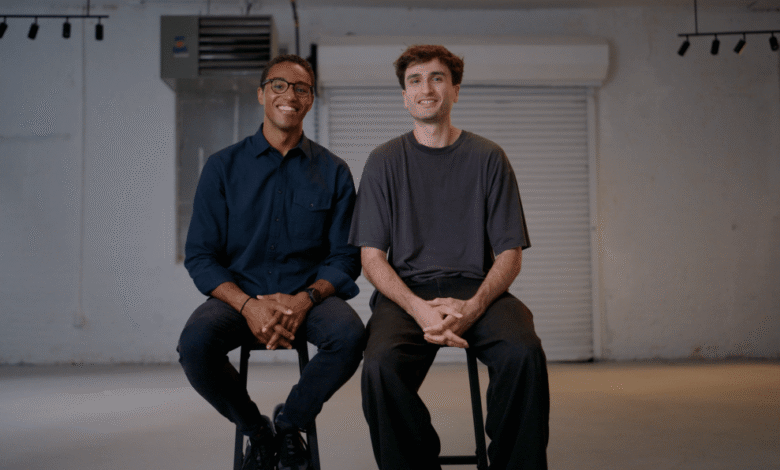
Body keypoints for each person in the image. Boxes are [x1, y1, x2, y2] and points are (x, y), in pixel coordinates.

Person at [349, 45, 550, 470]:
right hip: (407, 294)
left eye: (437, 78)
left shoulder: (488, 158)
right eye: (415, 81)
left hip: (476, 289)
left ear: (455, 90)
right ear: (404, 96)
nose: (426, 89)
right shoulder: (383, 162)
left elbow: (510, 254)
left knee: (523, 353)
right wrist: (419, 309)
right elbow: (372, 258)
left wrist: (474, 306)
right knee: (380, 366)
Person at [178, 54, 365, 470]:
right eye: (279, 85)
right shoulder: (222, 168)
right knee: (194, 345)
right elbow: (201, 256)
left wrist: (303, 301)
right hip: (238, 297)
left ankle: (289, 423)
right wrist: (249, 305)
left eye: (301, 88)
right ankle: (256, 430)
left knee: (350, 335)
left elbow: (346, 256)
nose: (290, 95)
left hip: (308, 297)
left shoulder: (334, 172)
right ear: (262, 94)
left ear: (310, 101)